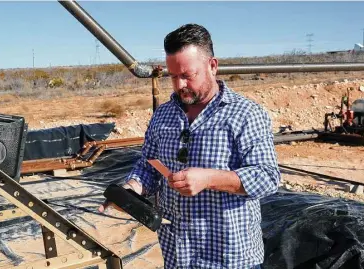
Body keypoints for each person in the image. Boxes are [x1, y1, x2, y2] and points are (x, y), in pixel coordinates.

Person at [99, 23, 280, 269]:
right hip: (178, 255)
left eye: (188, 75)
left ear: (212, 66)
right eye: (173, 76)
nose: (179, 85)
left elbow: (267, 177)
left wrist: (209, 179)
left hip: (230, 258)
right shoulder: (163, 115)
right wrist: (132, 189)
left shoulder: (246, 114)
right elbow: (149, 166)